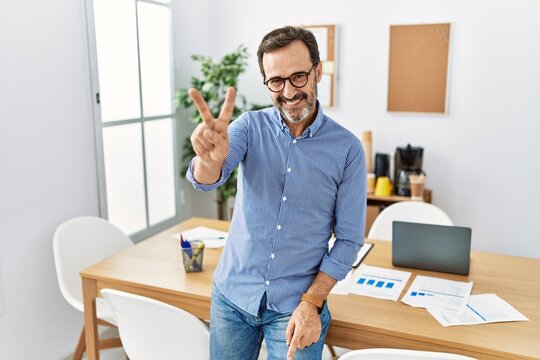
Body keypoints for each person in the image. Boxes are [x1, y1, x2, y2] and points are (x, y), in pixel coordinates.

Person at [187, 26, 366, 360]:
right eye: (276, 82)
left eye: (299, 77)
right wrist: (207, 159)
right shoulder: (248, 127)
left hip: (297, 303)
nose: (289, 92)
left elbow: (348, 241)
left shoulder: (348, 150)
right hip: (233, 294)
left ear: (318, 71)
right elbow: (208, 178)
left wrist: (312, 302)